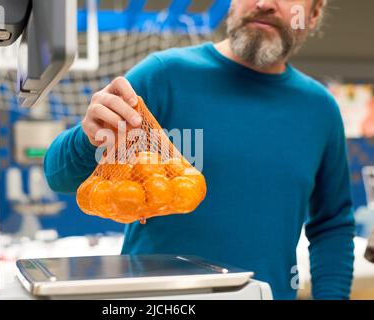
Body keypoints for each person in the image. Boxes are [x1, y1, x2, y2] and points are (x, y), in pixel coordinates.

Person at [43, 0, 355, 299]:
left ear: (313, 14)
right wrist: (87, 137)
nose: (264, 3)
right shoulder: (165, 75)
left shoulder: (320, 110)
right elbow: (59, 176)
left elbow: (332, 224)